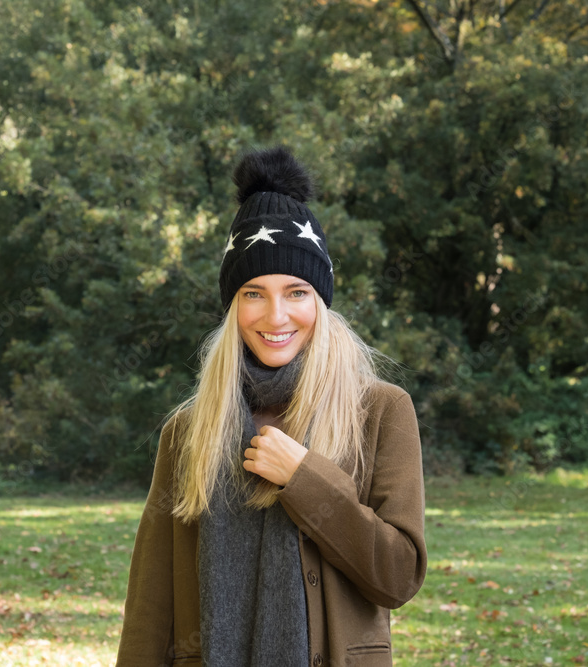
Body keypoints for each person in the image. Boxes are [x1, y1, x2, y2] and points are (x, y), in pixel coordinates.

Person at [116, 146, 427, 667]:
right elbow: (152, 603)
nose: (276, 315)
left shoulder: (379, 412)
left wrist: (304, 478)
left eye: (297, 292)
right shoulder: (190, 430)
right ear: (233, 305)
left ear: (320, 302)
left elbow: (396, 577)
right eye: (253, 293)